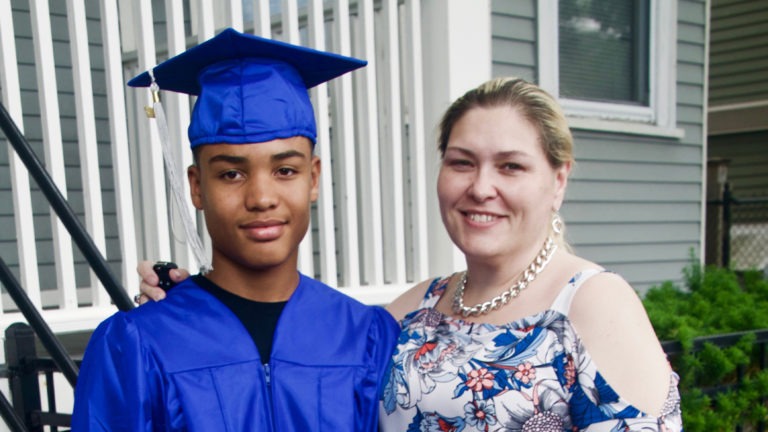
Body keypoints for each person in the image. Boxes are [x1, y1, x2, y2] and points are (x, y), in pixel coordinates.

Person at [138, 77, 683, 430]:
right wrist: (202, 307)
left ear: (557, 180)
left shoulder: (590, 303)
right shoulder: (423, 305)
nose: (481, 187)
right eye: (462, 162)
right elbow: (313, 333)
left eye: (511, 166)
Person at [72, 28, 399, 431]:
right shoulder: (138, 342)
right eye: (231, 173)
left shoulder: (367, 335)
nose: (261, 197)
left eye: (285, 170)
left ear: (313, 179)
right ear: (196, 187)